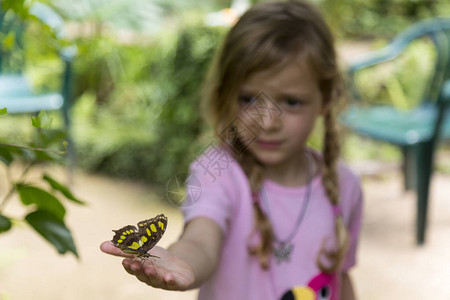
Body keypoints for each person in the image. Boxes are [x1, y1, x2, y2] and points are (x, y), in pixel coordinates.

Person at [101, 0, 363, 299]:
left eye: (291, 102)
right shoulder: (216, 172)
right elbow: (200, 240)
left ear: (325, 99)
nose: (267, 122)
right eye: (249, 99)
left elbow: (341, 277)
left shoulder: (346, 186)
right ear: (226, 95)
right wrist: (182, 261)